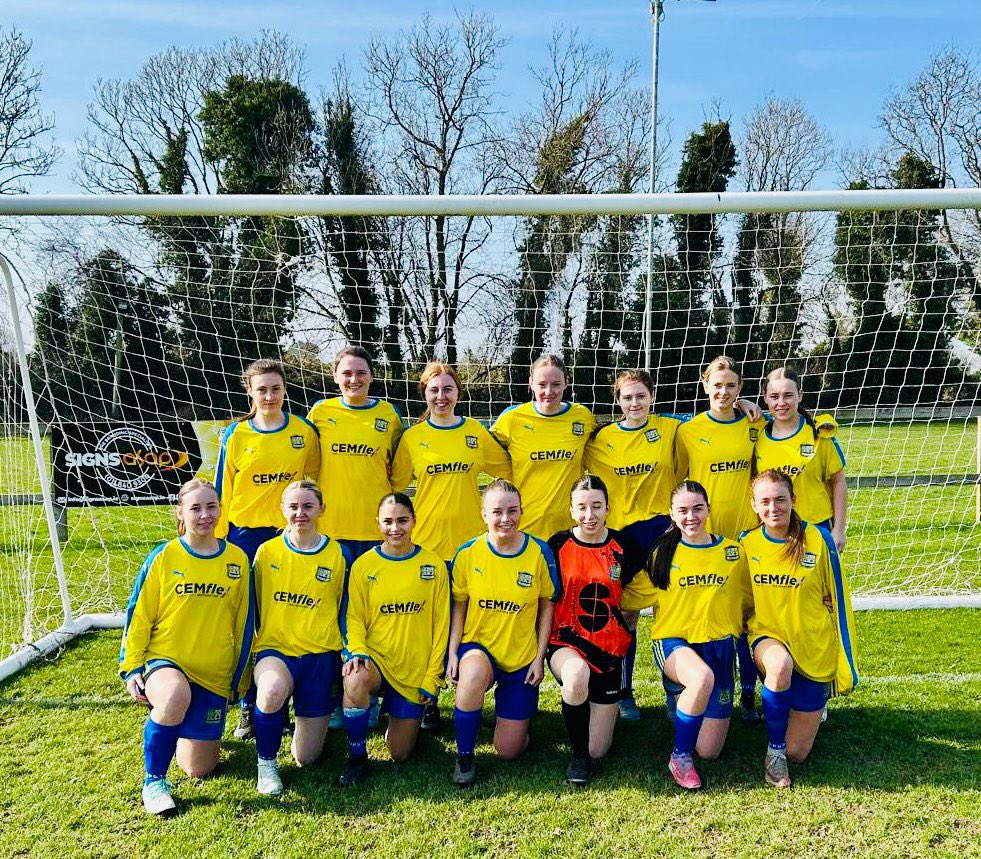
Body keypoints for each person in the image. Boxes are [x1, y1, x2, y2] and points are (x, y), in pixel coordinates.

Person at [119, 479, 254, 815]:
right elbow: (139, 614)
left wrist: (239, 678)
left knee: (199, 768)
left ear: (221, 510)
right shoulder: (164, 557)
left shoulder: (237, 560)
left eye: (211, 506)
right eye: (195, 508)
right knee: (176, 695)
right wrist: (131, 666)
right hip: (167, 660)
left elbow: (244, 625)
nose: (205, 515)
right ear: (180, 512)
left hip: (213, 672)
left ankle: (172, 724)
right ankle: (154, 781)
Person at [391, 361, 510, 731]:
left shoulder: (475, 432)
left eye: (448, 389)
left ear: (459, 392)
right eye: (433, 390)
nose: (441, 396)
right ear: (424, 394)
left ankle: (472, 692)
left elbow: (507, 468)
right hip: (427, 546)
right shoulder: (413, 438)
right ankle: (429, 698)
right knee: (430, 627)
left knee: (472, 624)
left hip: (473, 548)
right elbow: (393, 486)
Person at [621, 480, 751, 790]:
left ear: (709, 509)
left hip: (719, 647)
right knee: (701, 678)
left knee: (709, 751)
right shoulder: (661, 555)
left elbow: (753, 596)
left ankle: (684, 700)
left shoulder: (732, 552)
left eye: (697, 509)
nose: (690, 516)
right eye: (682, 510)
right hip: (675, 644)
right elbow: (627, 597)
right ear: (671, 514)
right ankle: (679, 756)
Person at [216, 358, 320, 740]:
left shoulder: (303, 432)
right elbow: (223, 490)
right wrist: (222, 539)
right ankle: (248, 703)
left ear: (284, 390)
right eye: (262, 389)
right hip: (245, 536)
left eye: (275, 388)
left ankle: (284, 698)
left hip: (290, 537)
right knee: (250, 620)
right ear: (250, 392)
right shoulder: (236, 435)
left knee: (287, 618)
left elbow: (313, 482)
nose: (270, 395)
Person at [741, 469, 858, 789]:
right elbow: (735, 595)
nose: (773, 507)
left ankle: (790, 721)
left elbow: (840, 599)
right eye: (764, 501)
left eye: (780, 499)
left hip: (814, 645)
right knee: (779, 666)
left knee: (799, 752)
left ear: (794, 500)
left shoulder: (819, 540)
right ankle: (773, 754)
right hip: (768, 636)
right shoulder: (747, 544)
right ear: (753, 505)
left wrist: (846, 663)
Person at [308, 346, 404, 730]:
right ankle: (337, 694)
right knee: (333, 617)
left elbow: (396, 472)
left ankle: (374, 694)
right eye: (347, 373)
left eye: (361, 373)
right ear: (335, 376)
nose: (354, 379)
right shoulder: (320, 414)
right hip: (331, 536)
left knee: (375, 617)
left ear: (371, 376)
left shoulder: (388, 416)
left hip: (376, 535)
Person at [583, 369, 682, 722]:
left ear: (652, 396)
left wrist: (747, 405)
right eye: (627, 397)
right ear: (618, 400)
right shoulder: (599, 440)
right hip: (623, 541)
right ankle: (624, 693)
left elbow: (714, 422)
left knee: (669, 614)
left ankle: (675, 692)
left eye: (641, 395)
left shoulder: (671, 429)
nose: (635, 403)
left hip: (663, 535)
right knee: (624, 617)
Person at [447, 479, 559, 787]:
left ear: (522, 511)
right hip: (479, 646)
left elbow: (547, 606)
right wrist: (453, 653)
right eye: (497, 511)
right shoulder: (468, 554)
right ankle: (465, 757)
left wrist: (539, 658)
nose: (505, 518)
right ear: (483, 514)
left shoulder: (539, 552)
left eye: (512, 511)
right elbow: (459, 606)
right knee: (470, 675)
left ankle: (514, 725)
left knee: (508, 751)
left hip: (521, 656)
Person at [675, 355, 765, 722]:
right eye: (717, 385)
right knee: (707, 615)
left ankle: (746, 694)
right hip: (703, 539)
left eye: (731, 386)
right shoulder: (689, 431)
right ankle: (690, 689)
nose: (724, 392)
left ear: (740, 389)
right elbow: (680, 482)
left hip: (744, 535)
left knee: (745, 614)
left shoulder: (754, 426)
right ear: (705, 385)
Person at [337, 493, 450, 786]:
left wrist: (431, 676)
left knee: (400, 754)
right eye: (388, 521)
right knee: (355, 678)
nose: (395, 528)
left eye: (402, 520)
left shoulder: (433, 565)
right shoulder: (365, 565)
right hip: (377, 659)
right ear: (378, 523)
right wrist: (357, 651)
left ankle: (400, 716)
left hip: (413, 670)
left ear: (414, 520)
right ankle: (356, 756)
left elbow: (441, 626)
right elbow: (354, 617)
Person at [250, 480, 350, 796]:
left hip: (320, 657)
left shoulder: (339, 554)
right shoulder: (266, 553)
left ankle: (313, 725)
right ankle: (266, 765)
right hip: (275, 651)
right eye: (293, 507)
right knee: (271, 691)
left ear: (321, 508)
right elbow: (248, 607)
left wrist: (349, 650)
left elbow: (348, 611)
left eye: (307, 506)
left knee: (306, 758)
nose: (300, 513)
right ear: (283, 510)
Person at [546, 475, 646, 785]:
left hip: (608, 648)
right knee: (576, 676)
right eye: (582, 508)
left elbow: (642, 587)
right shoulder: (558, 544)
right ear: (572, 510)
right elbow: (544, 597)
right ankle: (578, 759)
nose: (590, 515)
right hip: (567, 641)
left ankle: (596, 716)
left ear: (607, 508)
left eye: (597, 507)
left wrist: (630, 617)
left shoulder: (623, 544)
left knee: (599, 749)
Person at [490, 354, 597, 540]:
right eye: (542, 384)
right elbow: (481, 452)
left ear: (566, 383)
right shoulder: (512, 420)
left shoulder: (582, 417)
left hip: (571, 529)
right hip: (524, 526)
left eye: (556, 384)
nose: (549, 391)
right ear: (530, 383)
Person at [753, 366, 847, 551]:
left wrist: (838, 530)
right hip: (773, 529)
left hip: (817, 526)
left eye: (788, 395)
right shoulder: (757, 436)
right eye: (774, 397)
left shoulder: (819, 434)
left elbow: (839, 482)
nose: (781, 402)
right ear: (765, 398)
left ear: (800, 395)